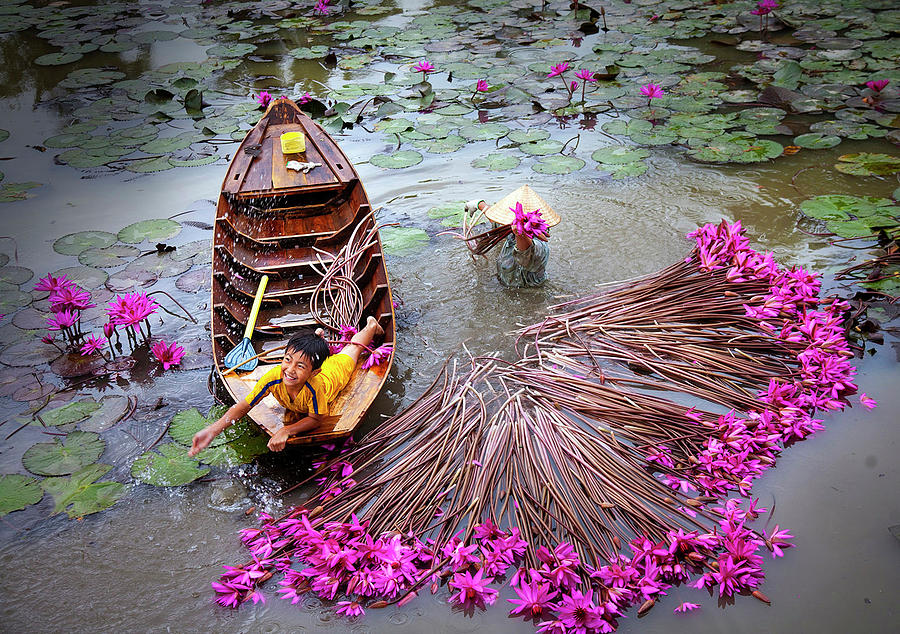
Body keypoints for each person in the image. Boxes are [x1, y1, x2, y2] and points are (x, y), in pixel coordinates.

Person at [189, 316, 384, 455]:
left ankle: (370, 325)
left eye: (300, 366)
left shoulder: (316, 387)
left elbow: (315, 420)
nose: (290, 370)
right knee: (316, 353)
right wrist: (213, 430)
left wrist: (286, 430)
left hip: (334, 374)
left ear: (313, 372)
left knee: (353, 350)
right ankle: (317, 340)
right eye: (287, 360)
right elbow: (245, 405)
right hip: (315, 367)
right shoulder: (273, 377)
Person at [465, 184, 560, 288]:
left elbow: (526, 252)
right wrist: (479, 204)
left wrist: (521, 233)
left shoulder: (540, 248)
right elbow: (498, 222)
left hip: (524, 293)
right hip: (504, 281)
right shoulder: (511, 228)